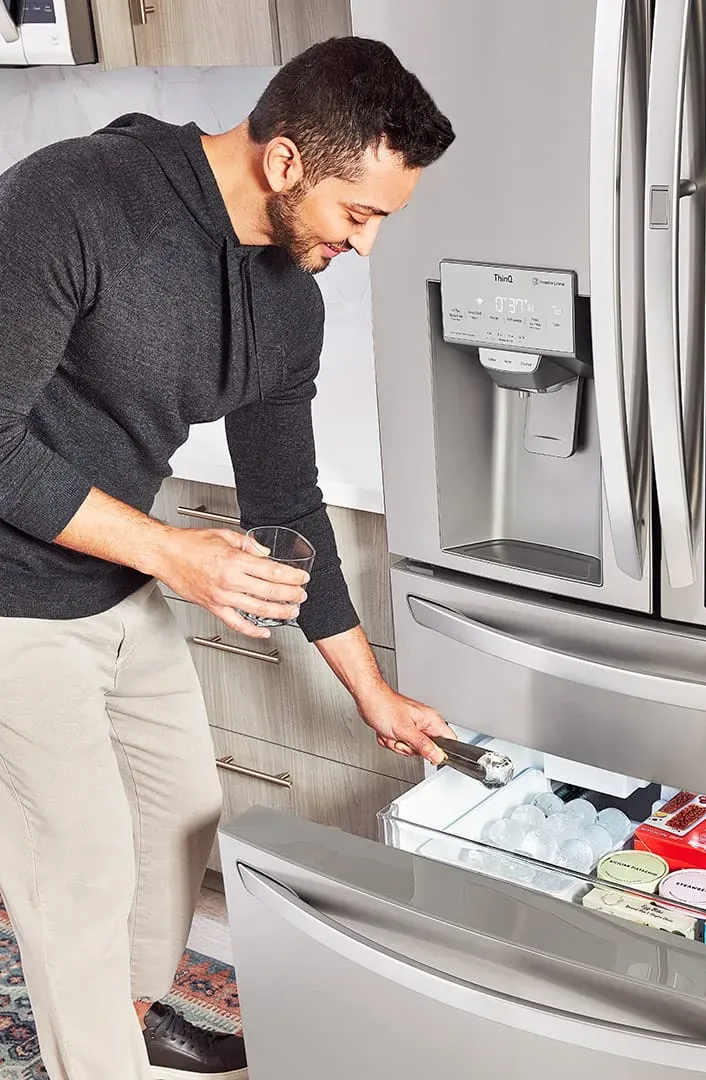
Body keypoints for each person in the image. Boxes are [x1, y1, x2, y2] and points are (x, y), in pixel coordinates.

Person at [0, 36, 456, 1080]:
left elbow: (287, 502)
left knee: (180, 818)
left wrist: (372, 694)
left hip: (117, 577)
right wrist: (173, 553)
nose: (368, 244)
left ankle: (124, 1014)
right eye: (361, 212)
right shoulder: (75, 199)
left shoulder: (285, 297)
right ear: (286, 162)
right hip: (10, 595)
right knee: (77, 872)